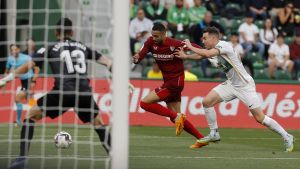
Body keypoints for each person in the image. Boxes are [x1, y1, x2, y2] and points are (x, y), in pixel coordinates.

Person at [4, 18, 113, 169]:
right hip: (84, 93)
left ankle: (22, 159)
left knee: (30, 116)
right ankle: (115, 156)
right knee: (98, 123)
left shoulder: (51, 47)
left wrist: (7, 79)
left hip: (62, 92)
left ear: (56, 32)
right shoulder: (83, 47)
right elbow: (107, 62)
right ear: (72, 32)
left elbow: (28, 66)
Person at [174, 27, 295, 152]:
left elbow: (206, 54)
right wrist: (185, 56)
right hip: (231, 84)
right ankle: (214, 133)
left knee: (260, 118)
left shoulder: (223, 45)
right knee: (206, 102)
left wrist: (189, 46)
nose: (203, 40)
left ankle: (287, 136)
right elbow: (202, 56)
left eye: (205, 38)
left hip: (244, 85)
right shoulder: (213, 50)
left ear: (214, 38)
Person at [133, 22, 207, 148]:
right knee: (176, 120)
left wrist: (187, 56)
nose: (154, 38)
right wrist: (137, 58)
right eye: (153, 36)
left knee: (144, 103)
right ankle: (201, 138)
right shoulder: (150, 42)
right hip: (168, 82)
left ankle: (178, 117)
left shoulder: (176, 44)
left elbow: (202, 52)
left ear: (164, 34)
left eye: (157, 36)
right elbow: (141, 54)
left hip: (175, 83)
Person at [4, 44, 39, 126]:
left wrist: (34, 81)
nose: (14, 51)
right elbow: (7, 71)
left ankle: (18, 121)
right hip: (23, 81)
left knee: (17, 99)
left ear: (19, 49)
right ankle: (33, 119)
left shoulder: (26, 58)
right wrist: (4, 81)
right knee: (30, 101)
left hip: (29, 80)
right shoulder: (10, 59)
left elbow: (37, 69)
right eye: (12, 50)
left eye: (15, 49)